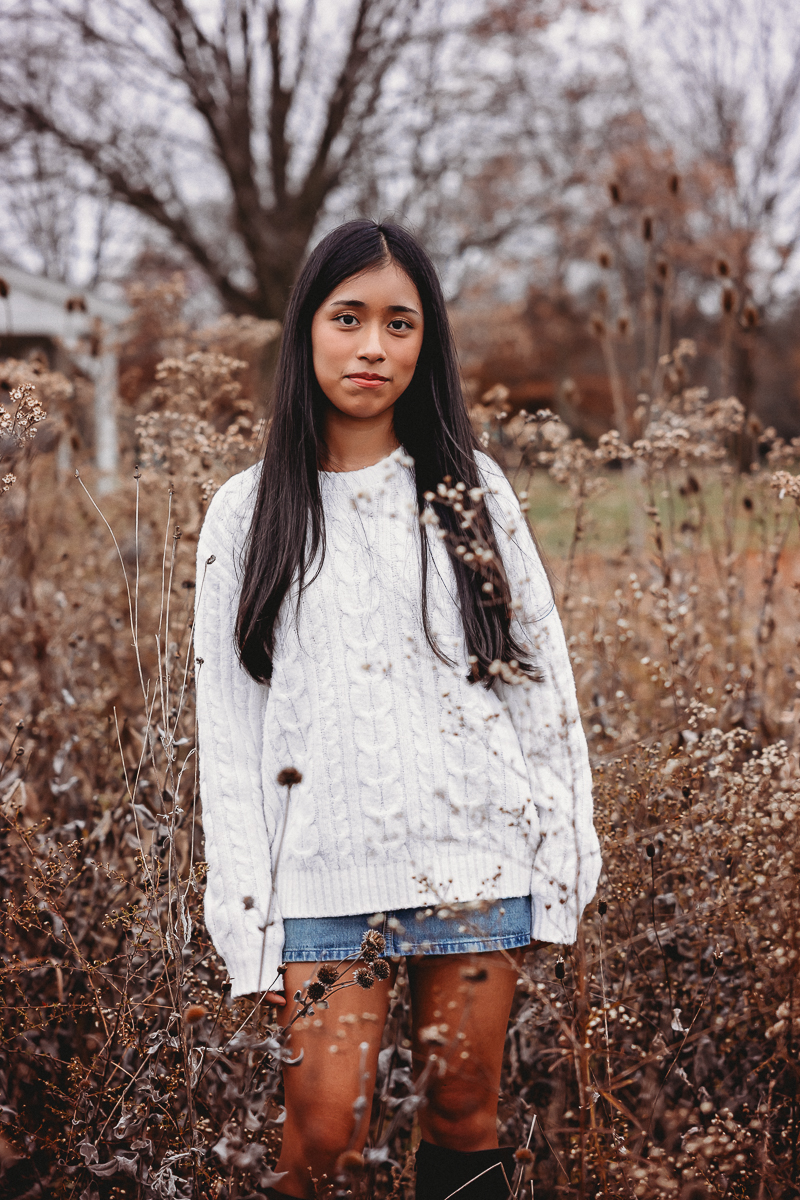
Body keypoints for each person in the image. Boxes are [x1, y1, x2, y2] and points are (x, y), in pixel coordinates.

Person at [194, 219, 601, 1199]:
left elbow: (540, 686)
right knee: (321, 1135)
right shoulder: (245, 513)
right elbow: (230, 731)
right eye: (348, 318)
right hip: (322, 876)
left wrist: (560, 861)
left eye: (399, 323)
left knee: (462, 1114)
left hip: (473, 863)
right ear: (306, 329)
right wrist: (247, 920)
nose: (372, 346)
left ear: (427, 342)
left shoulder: (472, 490)